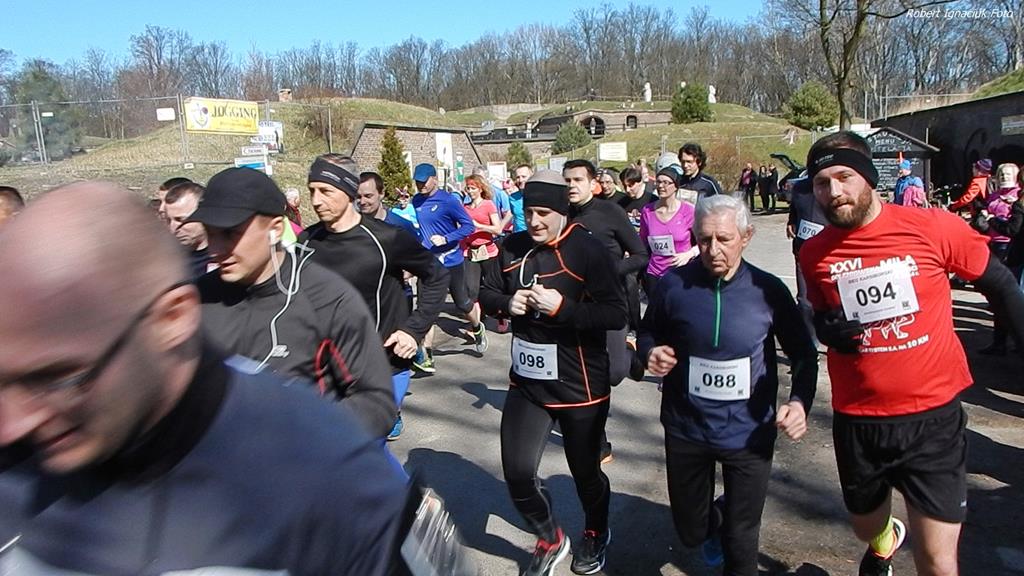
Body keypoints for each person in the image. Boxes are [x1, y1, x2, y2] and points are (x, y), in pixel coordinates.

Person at [0, 182, 411, 575]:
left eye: (61, 379)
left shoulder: (332, 470)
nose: (12, 424)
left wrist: (295, 446)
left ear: (172, 319)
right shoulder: (199, 296)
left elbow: (374, 401)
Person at [799, 132, 1024, 576]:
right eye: (822, 183)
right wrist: (828, 330)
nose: (834, 192)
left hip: (931, 418)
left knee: (938, 560)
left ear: (868, 177)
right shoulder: (815, 253)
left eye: (844, 177)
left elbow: (1000, 285)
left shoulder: (933, 227)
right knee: (865, 526)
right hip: (858, 417)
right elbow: (819, 313)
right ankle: (883, 540)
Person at [639, 194, 817, 576]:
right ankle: (716, 517)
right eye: (704, 240)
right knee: (691, 531)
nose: (713, 249)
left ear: (746, 236)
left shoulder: (768, 290)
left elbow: (804, 354)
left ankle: (732, 525)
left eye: (724, 239)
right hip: (687, 427)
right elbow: (648, 331)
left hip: (748, 432)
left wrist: (800, 401)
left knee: (741, 537)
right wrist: (650, 352)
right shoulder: (673, 285)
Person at [479, 170, 627, 576]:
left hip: (581, 386)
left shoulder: (588, 249)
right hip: (528, 384)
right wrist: (506, 303)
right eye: (529, 212)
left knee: (585, 474)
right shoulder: (511, 246)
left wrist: (565, 309)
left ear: (563, 211)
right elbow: (486, 291)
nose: (535, 221)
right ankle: (550, 538)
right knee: (518, 473)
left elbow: (616, 313)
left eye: (544, 213)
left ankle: (596, 531)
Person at [190, 167, 396, 439]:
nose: (215, 250)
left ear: (275, 229)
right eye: (210, 233)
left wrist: (300, 432)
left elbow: (376, 403)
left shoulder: (328, 299)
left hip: (306, 458)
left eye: (230, 234)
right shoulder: (196, 299)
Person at [300, 157, 449, 441]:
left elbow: (437, 276)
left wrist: (413, 330)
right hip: (327, 369)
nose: (316, 201)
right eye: (312, 191)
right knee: (345, 452)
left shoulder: (386, 238)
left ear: (348, 191)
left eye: (325, 191)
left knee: (359, 445)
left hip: (382, 366)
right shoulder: (306, 242)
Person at [411, 163, 478, 373]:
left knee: (462, 303)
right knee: (426, 307)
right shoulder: (416, 200)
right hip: (429, 262)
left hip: (451, 260)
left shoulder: (449, 200)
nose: (421, 185)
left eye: (424, 181)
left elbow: (469, 226)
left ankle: (477, 327)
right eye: (417, 181)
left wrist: (446, 238)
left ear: (435, 179)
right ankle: (426, 356)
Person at [972, 163, 1022, 356]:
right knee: (996, 296)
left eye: (1008, 174)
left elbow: (1014, 227)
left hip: (1011, 247)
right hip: (992, 243)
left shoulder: (1019, 197)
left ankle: (1015, 341)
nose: (1004, 177)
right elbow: (987, 211)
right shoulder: (995, 195)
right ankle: (999, 342)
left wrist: (994, 217)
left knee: (1010, 294)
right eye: (1001, 174)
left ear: (1017, 177)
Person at [639, 166, 699, 297]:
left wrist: (689, 254)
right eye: (658, 182)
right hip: (654, 273)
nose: (661, 186)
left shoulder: (688, 211)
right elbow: (642, 241)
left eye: (666, 182)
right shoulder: (647, 211)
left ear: (676, 186)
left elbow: (703, 243)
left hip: (681, 273)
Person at [460, 174, 502, 349]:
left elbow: (498, 229)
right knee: (471, 290)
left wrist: (479, 226)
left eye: (473, 188)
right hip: (470, 251)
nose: (470, 191)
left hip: (488, 251)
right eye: (468, 188)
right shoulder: (465, 207)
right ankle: (476, 327)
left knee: (493, 286)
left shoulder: (488, 205)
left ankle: (500, 316)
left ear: (480, 188)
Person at [786, 177, 829, 338]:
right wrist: (791, 221)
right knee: (804, 301)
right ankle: (810, 341)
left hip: (828, 251)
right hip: (802, 250)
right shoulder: (799, 188)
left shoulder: (833, 186)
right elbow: (795, 209)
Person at [163, 181, 212, 279]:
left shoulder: (223, 257)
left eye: (181, 220)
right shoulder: (166, 260)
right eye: (168, 220)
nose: (173, 228)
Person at [357, 170, 420, 239]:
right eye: (358, 197)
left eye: (368, 196)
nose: (362, 202)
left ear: (381, 194)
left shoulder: (402, 226)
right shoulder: (352, 227)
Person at [509, 163, 533, 233]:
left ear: (532, 177)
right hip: (518, 235)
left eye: (523, 176)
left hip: (533, 235)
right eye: (518, 177)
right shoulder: (512, 198)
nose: (520, 180)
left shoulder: (539, 196)